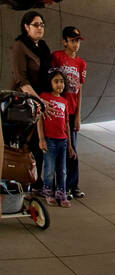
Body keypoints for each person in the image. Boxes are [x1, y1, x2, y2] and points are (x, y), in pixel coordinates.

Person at [9, 9, 53, 192]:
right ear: (26, 27)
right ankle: (22, 180)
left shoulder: (42, 47)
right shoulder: (20, 45)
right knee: (25, 143)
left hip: (40, 100)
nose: (40, 28)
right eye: (36, 25)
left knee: (38, 143)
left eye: (42, 25)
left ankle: (36, 181)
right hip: (25, 101)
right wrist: (38, 101)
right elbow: (21, 79)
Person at [50, 27, 87, 198]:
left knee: (73, 149)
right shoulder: (57, 57)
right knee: (57, 148)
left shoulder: (81, 63)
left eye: (77, 41)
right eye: (72, 40)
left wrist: (78, 115)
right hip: (58, 110)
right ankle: (58, 185)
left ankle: (73, 185)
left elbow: (79, 90)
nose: (75, 44)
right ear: (65, 41)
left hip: (72, 112)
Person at [38, 70, 75, 207]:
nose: (60, 84)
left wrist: (70, 145)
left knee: (62, 170)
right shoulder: (44, 97)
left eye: (62, 81)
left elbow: (66, 124)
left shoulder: (65, 101)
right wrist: (41, 139)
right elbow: (39, 120)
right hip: (49, 140)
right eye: (56, 81)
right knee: (49, 169)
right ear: (50, 83)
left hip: (63, 141)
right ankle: (48, 193)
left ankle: (61, 193)